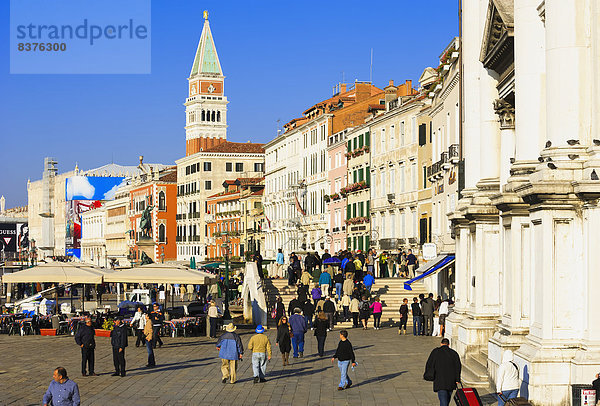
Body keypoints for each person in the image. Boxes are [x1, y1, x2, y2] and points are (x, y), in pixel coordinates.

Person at [424, 338, 461, 406]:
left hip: (440, 381)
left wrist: (429, 375)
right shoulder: (453, 353)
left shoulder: (435, 352)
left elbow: (429, 363)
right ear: (448, 345)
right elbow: (458, 366)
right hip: (451, 381)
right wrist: (457, 379)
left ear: (441, 344)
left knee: (443, 400)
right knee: (447, 400)